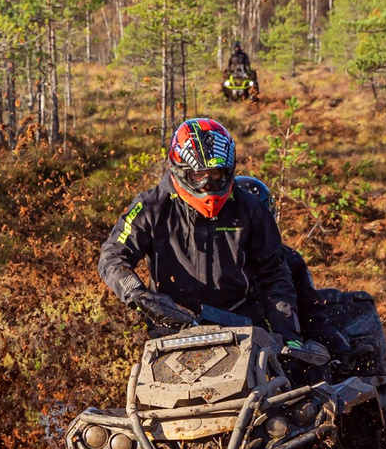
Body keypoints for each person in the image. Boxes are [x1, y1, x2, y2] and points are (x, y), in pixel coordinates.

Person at [97, 117, 302, 342]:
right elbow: (113, 255)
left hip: (241, 323)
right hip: (174, 323)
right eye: (198, 175)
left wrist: (287, 335)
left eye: (215, 175)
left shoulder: (249, 208)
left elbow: (274, 274)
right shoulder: (151, 206)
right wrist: (136, 292)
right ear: (181, 170)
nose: (207, 184)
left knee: (280, 370)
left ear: (228, 171)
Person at [232, 174, 386, 378]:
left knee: (314, 375)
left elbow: (311, 312)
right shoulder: (209, 258)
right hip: (226, 350)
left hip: (281, 351)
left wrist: (339, 349)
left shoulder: (289, 259)